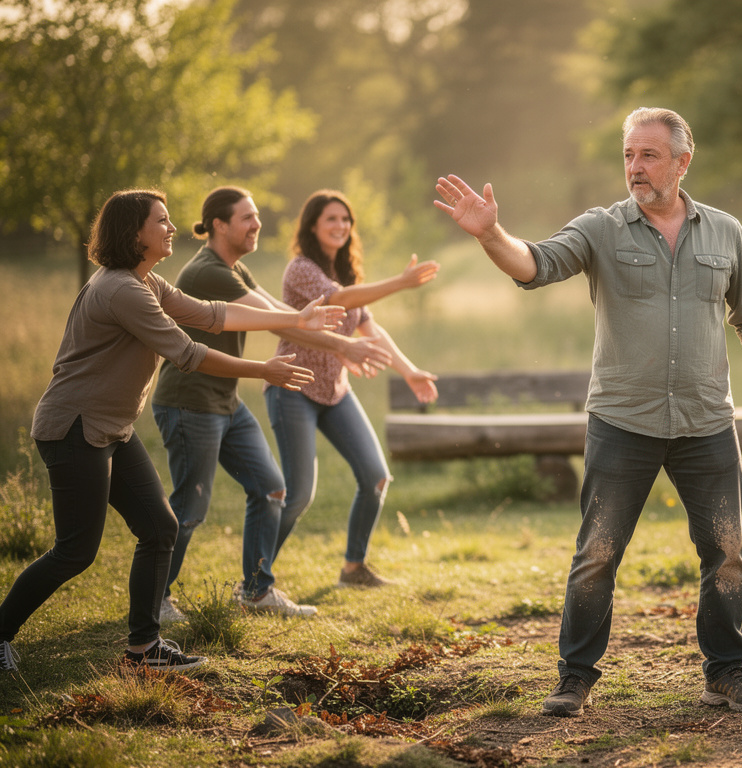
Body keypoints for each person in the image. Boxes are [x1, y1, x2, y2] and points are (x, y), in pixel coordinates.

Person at [434, 107, 742, 716]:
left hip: (707, 422)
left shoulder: (725, 232)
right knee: (598, 554)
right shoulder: (601, 228)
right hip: (622, 422)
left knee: (728, 550)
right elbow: (535, 264)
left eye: (649, 155)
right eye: (629, 155)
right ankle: (575, 677)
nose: (635, 167)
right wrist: (488, 235)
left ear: (683, 162)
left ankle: (727, 673)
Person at [0, 189, 343, 674]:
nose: (172, 228)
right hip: (74, 428)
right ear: (133, 233)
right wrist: (262, 370)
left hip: (111, 429)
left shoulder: (146, 281)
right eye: (161, 221)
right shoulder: (121, 290)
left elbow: (211, 313)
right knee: (75, 550)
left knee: (160, 527)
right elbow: (188, 353)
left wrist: (293, 318)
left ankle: (143, 650)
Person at [152, 186, 396, 622]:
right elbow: (278, 321)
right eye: (247, 217)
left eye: (257, 215)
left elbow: (285, 315)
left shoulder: (237, 269)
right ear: (219, 225)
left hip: (225, 400)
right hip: (190, 402)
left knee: (272, 489)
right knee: (190, 509)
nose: (257, 224)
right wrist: (343, 345)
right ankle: (155, 598)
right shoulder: (210, 272)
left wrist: (323, 334)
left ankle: (257, 591)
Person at [265, 189, 440, 590]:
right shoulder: (300, 270)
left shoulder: (346, 274)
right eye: (331, 219)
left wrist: (409, 371)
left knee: (376, 476)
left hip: (336, 391)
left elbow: (369, 329)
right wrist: (399, 282)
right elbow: (338, 300)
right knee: (297, 496)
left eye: (346, 220)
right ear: (312, 225)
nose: (341, 226)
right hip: (293, 386)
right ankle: (255, 581)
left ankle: (353, 569)